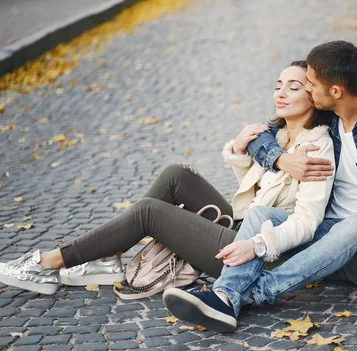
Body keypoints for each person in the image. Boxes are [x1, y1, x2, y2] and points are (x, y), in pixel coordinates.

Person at [163, 40, 357, 333]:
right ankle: (225, 297)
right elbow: (267, 132)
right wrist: (280, 159)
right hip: (327, 240)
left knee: (356, 225)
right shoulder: (326, 116)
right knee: (261, 214)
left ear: (336, 91)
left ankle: (256, 292)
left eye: (311, 85)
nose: (307, 90)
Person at [0, 60, 335, 296]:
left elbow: (305, 222)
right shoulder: (276, 137)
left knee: (150, 211)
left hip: (258, 253)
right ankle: (105, 260)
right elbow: (256, 190)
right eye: (278, 85)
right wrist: (239, 147)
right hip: (242, 225)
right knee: (176, 175)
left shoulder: (315, 149)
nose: (281, 92)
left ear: (314, 96)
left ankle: (46, 263)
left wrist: (258, 244)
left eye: (294, 87)